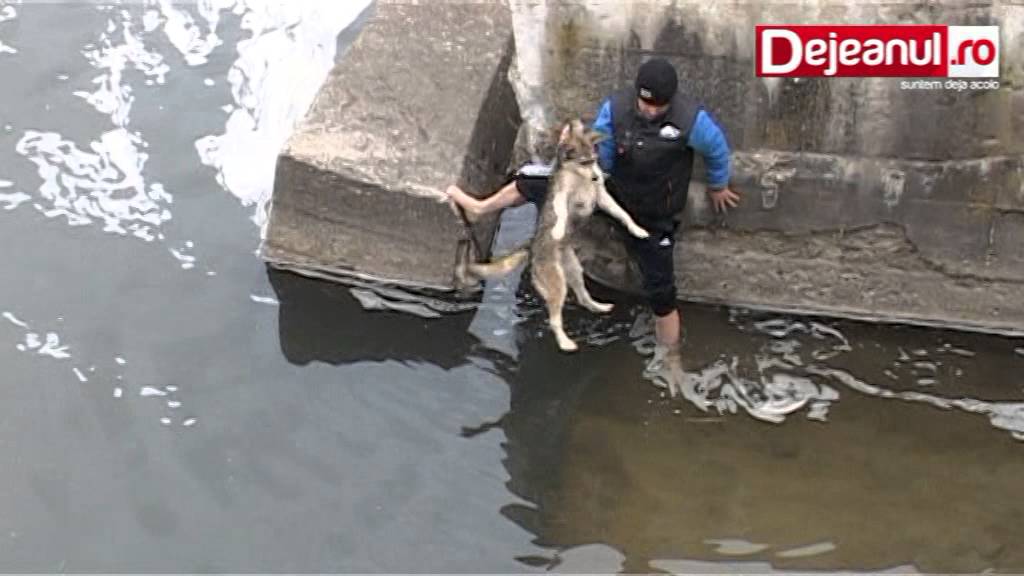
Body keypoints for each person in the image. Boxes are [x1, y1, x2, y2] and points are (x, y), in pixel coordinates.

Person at [447, 57, 740, 355]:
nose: (650, 111)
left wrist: (719, 186)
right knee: (537, 181)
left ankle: (671, 358)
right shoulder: (616, 110)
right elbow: (603, 151)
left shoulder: (692, 121)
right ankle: (481, 207)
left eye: (659, 106)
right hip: (614, 191)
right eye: (645, 103)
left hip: (655, 213)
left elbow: (717, 150)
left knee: (662, 294)